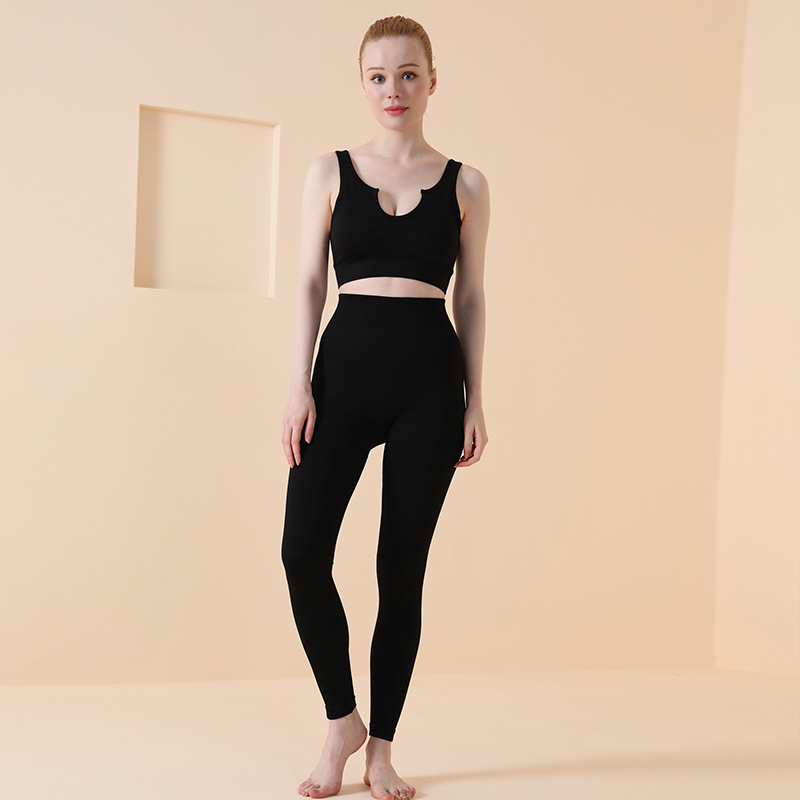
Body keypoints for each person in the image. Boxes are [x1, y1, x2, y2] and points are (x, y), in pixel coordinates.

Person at [280, 15, 489, 800]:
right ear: (362, 84)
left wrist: (475, 398)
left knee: (401, 571)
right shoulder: (329, 172)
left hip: (430, 385)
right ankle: (342, 722)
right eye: (378, 76)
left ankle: (382, 751)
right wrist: (298, 383)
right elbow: (309, 282)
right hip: (343, 377)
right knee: (302, 552)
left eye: (407, 74)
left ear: (432, 81)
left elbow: (472, 297)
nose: (393, 89)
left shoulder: (467, 184)